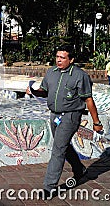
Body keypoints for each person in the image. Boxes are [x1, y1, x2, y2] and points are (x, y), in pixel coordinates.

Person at [26, 45, 103, 199]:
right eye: (57, 56)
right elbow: (44, 91)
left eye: (62, 57)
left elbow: (88, 99)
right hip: (54, 115)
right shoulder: (51, 72)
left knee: (58, 149)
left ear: (71, 59)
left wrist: (96, 122)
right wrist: (33, 91)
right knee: (63, 146)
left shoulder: (80, 76)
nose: (58, 60)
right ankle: (79, 170)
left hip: (71, 116)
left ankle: (49, 187)